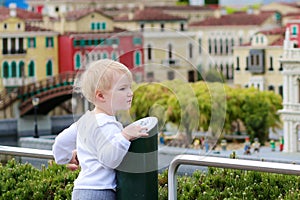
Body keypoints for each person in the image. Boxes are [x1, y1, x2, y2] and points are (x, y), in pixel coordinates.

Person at [52, 59, 149, 200]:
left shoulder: (85, 121)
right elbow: (109, 159)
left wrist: (66, 158)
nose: (130, 93)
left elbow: (60, 142)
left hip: (80, 190)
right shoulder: (107, 124)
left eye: (129, 87)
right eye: (122, 89)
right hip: (100, 192)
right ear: (101, 96)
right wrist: (124, 136)